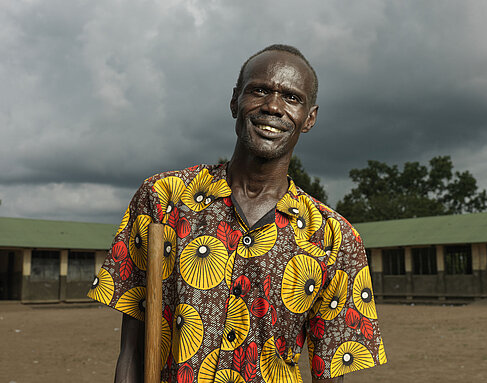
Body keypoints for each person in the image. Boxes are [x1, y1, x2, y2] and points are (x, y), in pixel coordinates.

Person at [88, 44, 386, 383]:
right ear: (235, 101)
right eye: (259, 90)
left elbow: (330, 371)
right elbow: (131, 350)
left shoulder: (335, 238)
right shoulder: (162, 200)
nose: (273, 106)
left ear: (310, 118)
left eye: (291, 98)